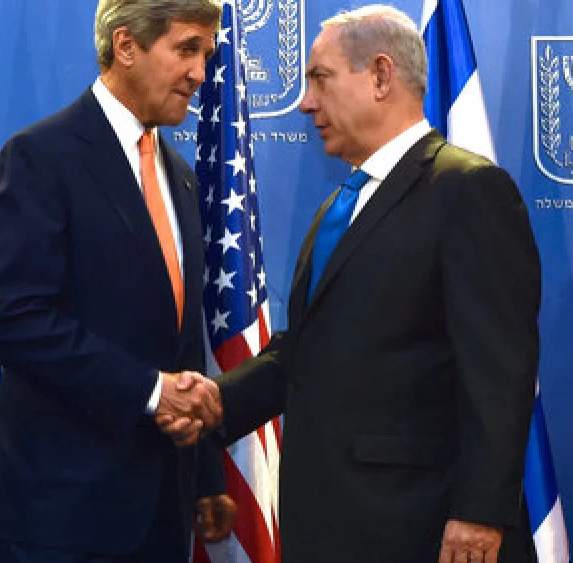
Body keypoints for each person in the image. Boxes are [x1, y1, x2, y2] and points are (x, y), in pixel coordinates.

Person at [167, 5, 541, 562]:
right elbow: (309, 350)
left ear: (382, 76)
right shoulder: (339, 206)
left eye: (319, 79)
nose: (305, 102)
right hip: (337, 526)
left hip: (423, 527)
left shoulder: (468, 190)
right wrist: (219, 398)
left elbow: (500, 371)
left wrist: (480, 513)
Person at [0, 1, 234, 561]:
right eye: (186, 49)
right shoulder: (41, 156)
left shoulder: (181, 178)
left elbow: (181, 342)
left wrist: (206, 470)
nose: (200, 74)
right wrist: (149, 391)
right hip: (61, 516)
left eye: (206, 55)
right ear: (126, 45)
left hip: (163, 508)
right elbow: (8, 316)